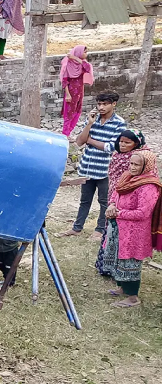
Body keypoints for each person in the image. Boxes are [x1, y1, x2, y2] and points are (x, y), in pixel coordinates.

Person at [60, 93, 127, 240]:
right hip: (88, 168)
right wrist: (89, 124)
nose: (101, 107)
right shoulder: (92, 118)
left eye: (105, 104)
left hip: (104, 169)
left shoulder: (119, 123)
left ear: (113, 104)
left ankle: (100, 229)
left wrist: (90, 140)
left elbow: (111, 147)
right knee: (85, 200)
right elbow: (79, 141)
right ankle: (77, 228)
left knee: (104, 201)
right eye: (99, 104)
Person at [103, 142, 161, 307]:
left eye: (137, 165)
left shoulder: (149, 185)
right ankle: (123, 288)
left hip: (134, 232)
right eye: (131, 163)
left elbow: (143, 213)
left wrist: (119, 213)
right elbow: (116, 192)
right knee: (119, 258)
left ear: (146, 166)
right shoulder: (127, 177)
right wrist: (112, 205)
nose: (133, 167)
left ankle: (133, 297)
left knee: (130, 261)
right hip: (120, 227)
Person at [96, 129, 148, 276]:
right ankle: (106, 267)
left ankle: (120, 272)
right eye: (121, 141)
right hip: (114, 196)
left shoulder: (141, 159)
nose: (122, 145)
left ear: (136, 143)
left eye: (127, 142)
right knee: (111, 231)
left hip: (130, 202)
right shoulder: (117, 155)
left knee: (123, 235)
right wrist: (113, 200)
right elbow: (114, 178)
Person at [60, 45, 94, 138]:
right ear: (79, 52)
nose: (86, 54)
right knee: (69, 113)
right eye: (84, 52)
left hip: (80, 92)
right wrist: (67, 94)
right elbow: (64, 81)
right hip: (71, 92)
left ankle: (69, 132)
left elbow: (88, 68)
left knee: (77, 113)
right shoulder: (68, 64)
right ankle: (65, 134)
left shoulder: (82, 64)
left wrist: (75, 58)